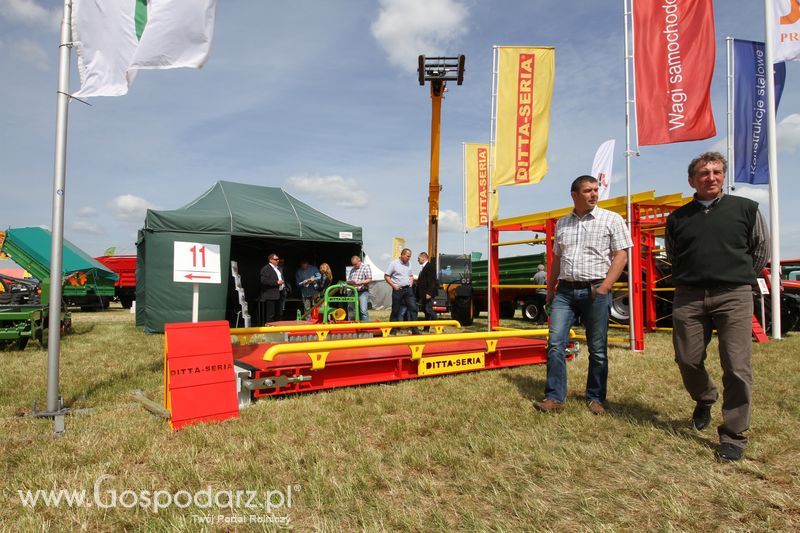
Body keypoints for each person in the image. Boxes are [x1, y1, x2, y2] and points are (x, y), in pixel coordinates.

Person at [665, 152, 768, 462]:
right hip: (690, 296)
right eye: (703, 172)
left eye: (716, 171)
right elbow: (674, 255)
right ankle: (705, 397)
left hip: (733, 295)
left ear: (724, 176)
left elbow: (760, 249)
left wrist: (737, 276)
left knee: (736, 365)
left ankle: (734, 434)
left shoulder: (746, 209)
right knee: (686, 358)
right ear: (691, 180)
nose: (710, 177)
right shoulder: (678, 218)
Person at [534, 175, 632, 415]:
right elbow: (557, 257)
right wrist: (550, 289)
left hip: (595, 289)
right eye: (588, 190)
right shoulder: (562, 223)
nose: (594, 194)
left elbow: (621, 255)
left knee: (597, 348)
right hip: (565, 292)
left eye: (596, 190)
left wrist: (606, 287)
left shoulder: (611, 219)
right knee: (555, 343)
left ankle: (596, 398)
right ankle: (555, 397)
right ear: (575, 195)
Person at [385, 248, 420, 335]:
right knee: (395, 310)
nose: (409, 258)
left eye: (410, 257)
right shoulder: (394, 263)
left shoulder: (409, 264)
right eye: (408, 256)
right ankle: (393, 330)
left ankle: (415, 330)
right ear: (403, 255)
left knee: (413, 309)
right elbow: (386, 276)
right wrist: (394, 285)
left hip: (408, 290)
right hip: (398, 290)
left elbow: (411, 275)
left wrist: (411, 284)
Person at [259, 253, 284, 324]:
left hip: (279, 293)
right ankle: (270, 329)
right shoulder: (266, 268)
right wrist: (277, 282)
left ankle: (277, 328)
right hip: (271, 295)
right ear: (270, 260)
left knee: (278, 313)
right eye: (276, 259)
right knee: (271, 314)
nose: (278, 260)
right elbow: (263, 281)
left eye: (278, 259)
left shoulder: (278, 268)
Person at [416, 252, 438, 331]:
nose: (418, 260)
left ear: (423, 258)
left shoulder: (430, 266)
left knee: (429, 309)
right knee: (426, 311)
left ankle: (439, 327)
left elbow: (432, 281)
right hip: (424, 294)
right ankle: (426, 328)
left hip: (428, 293)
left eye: (418, 259)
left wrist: (429, 293)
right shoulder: (424, 267)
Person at [347, 255, 372, 321]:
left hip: (363, 291)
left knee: (363, 310)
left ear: (359, 260)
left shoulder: (366, 267)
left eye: (355, 264)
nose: (354, 266)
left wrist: (360, 282)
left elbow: (369, 279)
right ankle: (353, 326)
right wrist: (350, 282)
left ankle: (365, 328)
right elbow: (349, 280)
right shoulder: (352, 269)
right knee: (352, 309)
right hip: (353, 292)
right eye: (353, 264)